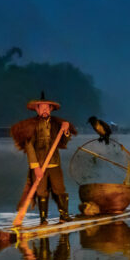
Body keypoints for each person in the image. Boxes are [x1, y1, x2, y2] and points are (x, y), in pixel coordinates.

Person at [10, 95, 77, 226]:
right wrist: (36, 167)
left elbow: (63, 141)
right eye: (42, 108)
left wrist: (66, 130)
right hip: (39, 164)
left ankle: (64, 216)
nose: (45, 110)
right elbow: (29, 147)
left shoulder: (57, 124)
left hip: (54, 163)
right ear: (37, 110)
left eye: (47, 107)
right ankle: (43, 219)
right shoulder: (31, 126)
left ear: (51, 109)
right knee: (41, 191)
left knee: (59, 189)